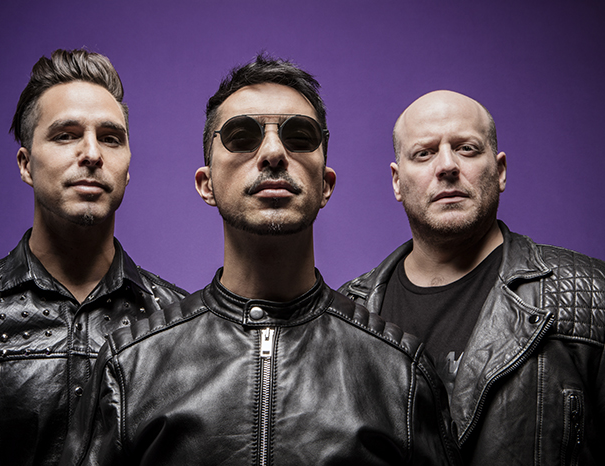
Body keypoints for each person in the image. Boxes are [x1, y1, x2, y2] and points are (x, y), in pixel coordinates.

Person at [60, 55, 461, 466]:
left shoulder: (400, 371)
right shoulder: (131, 366)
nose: (273, 152)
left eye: (299, 136)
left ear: (326, 185)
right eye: (242, 136)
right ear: (206, 184)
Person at [0, 49, 186, 466]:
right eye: (66, 135)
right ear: (26, 164)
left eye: (110, 138)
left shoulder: (181, 324)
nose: (92, 153)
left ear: (127, 169)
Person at [339, 89, 605, 465]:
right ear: (397, 181)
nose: (447, 165)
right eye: (424, 153)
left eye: (466, 149)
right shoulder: (346, 314)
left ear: (500, 171)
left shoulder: (590, 294)